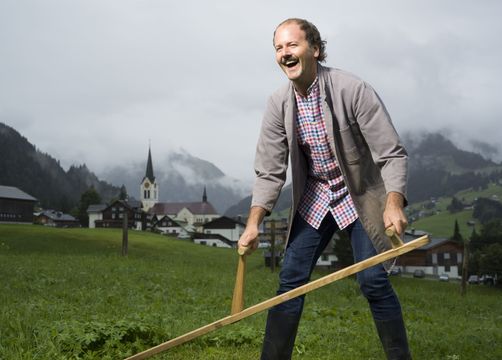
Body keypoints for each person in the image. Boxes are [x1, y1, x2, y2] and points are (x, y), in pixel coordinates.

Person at [238, 18, 411, 360]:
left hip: (359, 194)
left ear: (314, 49)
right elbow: (269, 169)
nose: (284, 53)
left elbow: (391, 152)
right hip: (316, 196)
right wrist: (254, 222)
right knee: (290, 282)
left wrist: (393, 204)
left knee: (373, 281)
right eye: (278, 48)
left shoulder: (352, 89)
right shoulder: (278, 104)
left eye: (292, 45)